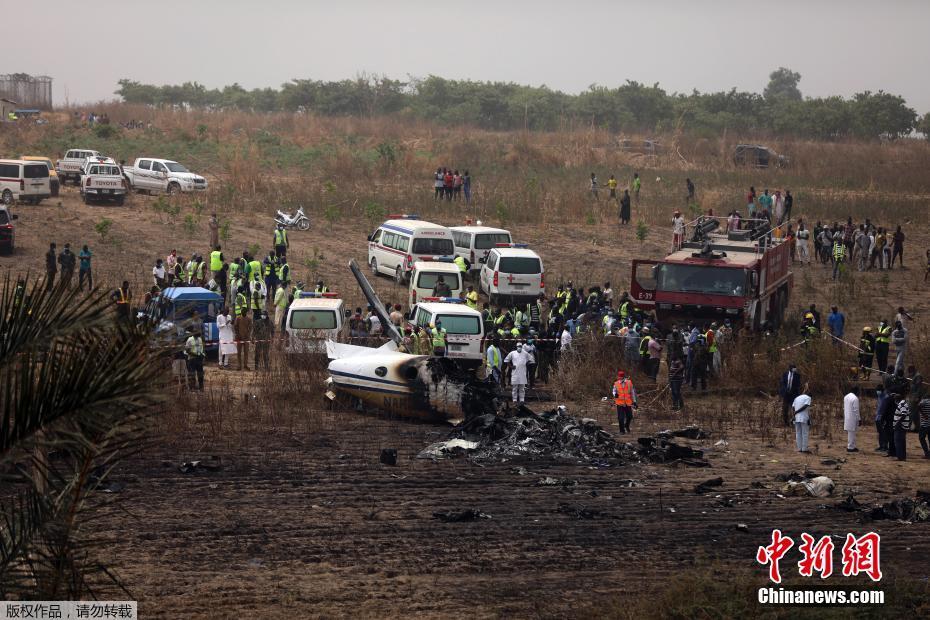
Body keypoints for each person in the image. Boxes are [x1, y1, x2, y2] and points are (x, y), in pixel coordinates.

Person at [792, 388, 812, 454]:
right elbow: (806, 406)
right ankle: (804, 449)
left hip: (796, 417)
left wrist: (794, 415)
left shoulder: (796, 398)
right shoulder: (808, 397)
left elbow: (793, 407)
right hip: (804, 417)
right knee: (805, 433)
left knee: (798, 433)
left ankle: (799, 448)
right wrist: (797, 411)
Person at [893, 396, 910, 461]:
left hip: (900, 426)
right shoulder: (904, 403)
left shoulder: (902, 404)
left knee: (898, 441)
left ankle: (900, 457)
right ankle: (903, 457)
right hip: (903, 426)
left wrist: (898, 423)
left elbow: (904, 414)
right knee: (902, 442)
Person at [843, 387, 860, 452]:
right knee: (852, 433)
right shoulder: (855, 398)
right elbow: (856, 410)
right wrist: (859, 419)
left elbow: (844, 408)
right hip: (853, 418)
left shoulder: (846, 397)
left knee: (851, 433)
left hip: (847, 416)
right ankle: (850, 447)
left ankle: (852, 446)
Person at [918, 394, 930, 459]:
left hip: (924, 425)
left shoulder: (924, 401)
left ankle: (927, 453)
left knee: (921, 438)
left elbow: (918, 406)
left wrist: (923, 414)